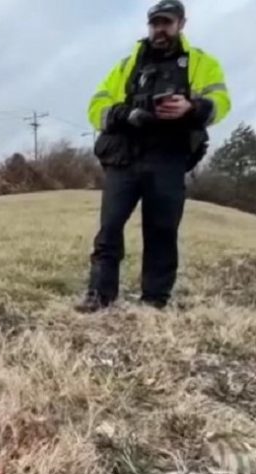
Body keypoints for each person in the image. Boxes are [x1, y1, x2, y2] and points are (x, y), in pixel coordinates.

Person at [76, 0, 231, 313]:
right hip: (125, 155)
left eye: (167, 23)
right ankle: (100, 293)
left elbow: (221, 101)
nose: (160, 29)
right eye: (155, 23)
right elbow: (96, 106)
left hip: (169, 157)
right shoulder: (127, 65)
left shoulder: (202, 62)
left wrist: (191, 108)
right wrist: (126, 113)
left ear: (181, 24)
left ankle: (154, 299)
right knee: (109, 226)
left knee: (162, 229)